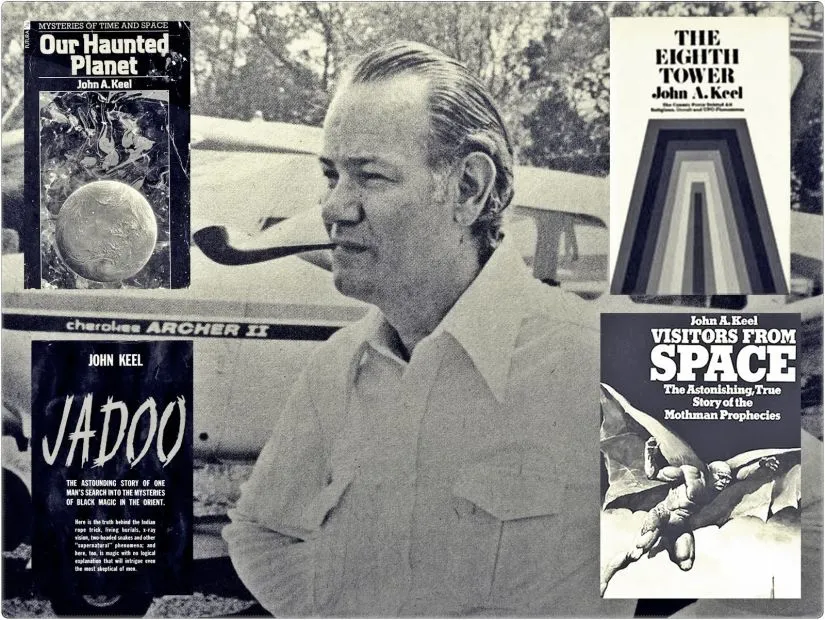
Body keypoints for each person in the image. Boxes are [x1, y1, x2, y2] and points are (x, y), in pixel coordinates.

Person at [222, 40, 635, 617]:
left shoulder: (608, 358)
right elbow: (260, 530)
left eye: (371, 177)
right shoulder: (338, 368)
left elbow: (803, 526)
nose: (335, 207)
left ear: (469, 189)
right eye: (331, 174)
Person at [600, 437, 781, 596]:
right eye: (721, 478)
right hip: (662, 515)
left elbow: (741, 475)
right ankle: (605, 577)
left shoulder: (719, 485)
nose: (724, 483)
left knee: (686, 563)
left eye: (726, 479)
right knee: (636, 553)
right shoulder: (690, 475)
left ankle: (665, 542)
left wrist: (760, 464)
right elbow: (652, 474)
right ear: (711, 474)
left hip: (681, 525)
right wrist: (649, 452)